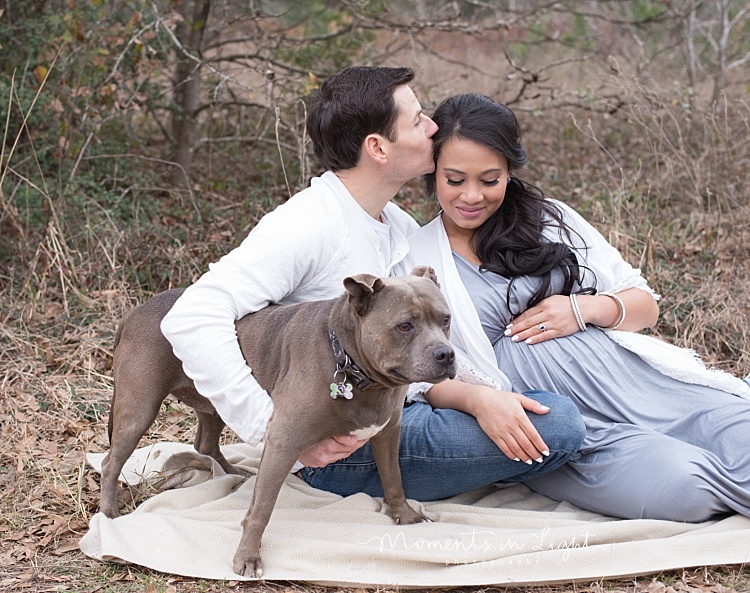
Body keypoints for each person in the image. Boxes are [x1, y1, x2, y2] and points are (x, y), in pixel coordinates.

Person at [160, 67, 586, 501]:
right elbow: (191, 316)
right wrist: (267, 425)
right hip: (339, 446)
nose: (433, 127)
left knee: (542, 406)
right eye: (418, 120)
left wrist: (477, 397)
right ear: (378, 147)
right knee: (562, 424)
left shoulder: (396, 224)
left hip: (391, 410)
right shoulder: (308, 224)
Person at [400, 92, 750, 521]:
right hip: (567, 429)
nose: (471, 196)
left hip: (636, 387)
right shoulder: (414, 258)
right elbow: (413, 376)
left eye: (489, 180)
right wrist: (476, 401)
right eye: (455, 180)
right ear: (433, 172)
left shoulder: (548, 219)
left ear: (510, 171)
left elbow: (644, 305)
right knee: (686, 488)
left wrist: (584, 309)